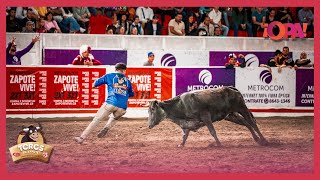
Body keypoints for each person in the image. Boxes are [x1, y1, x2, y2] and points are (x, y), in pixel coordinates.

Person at [74, 63, 134, 144]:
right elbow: (131, 94)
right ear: (124, 71)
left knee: (97, 119)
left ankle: (82, 138)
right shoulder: (128, 81)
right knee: (114, 118)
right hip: (123, 107)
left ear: (115, 70)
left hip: (111, 103)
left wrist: (94, 86)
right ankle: (107, 127)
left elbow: (95, 84)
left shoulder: (109, 76)